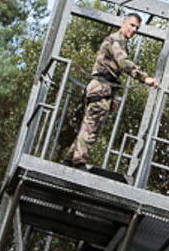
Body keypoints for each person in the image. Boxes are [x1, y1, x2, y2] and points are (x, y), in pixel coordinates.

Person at [66, 12, 160, 168]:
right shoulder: (115, 41)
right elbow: (123, 62)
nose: (134, 30)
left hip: (105, 89)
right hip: (100, 87)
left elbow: (114, 72)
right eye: (132, 25)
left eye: (137, 28)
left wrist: (112, 98)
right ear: (123, 23)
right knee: (92, 127)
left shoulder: (121, 42)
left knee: (90, 125)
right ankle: (78, 161)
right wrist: (144, 78)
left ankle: (71, 158)